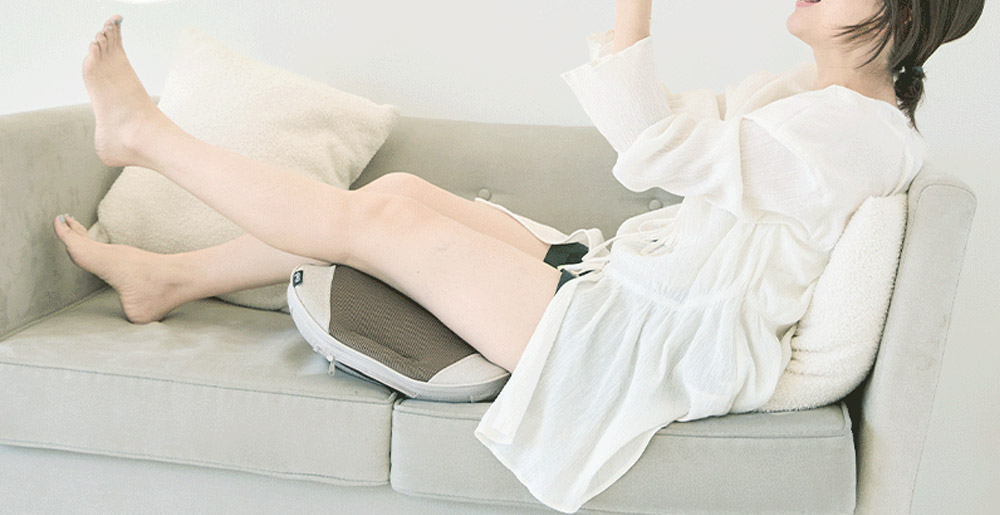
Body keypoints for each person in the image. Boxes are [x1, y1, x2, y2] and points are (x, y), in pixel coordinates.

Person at [54, 0, 984, 512]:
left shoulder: (853, 134)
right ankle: (167, 276)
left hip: (645, 337)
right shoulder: (814, 102)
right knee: (400, 191)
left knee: (383, 222)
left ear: (899, 10)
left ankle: (145, 137)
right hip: (634, 284)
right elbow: (669, 128)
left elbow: (655, 145)